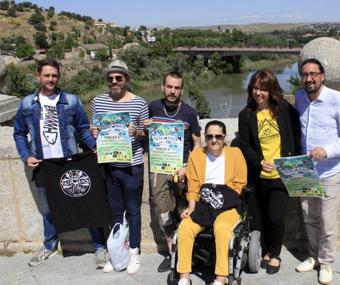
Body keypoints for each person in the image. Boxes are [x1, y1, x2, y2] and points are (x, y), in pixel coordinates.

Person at [13, 59, 107, 267]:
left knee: (86, 202)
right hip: (45, 165)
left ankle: (100, 247)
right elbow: (19, 132)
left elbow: (83, 128)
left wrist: (94, 147)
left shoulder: (71, 101)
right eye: (46, 75)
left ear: (59, 76)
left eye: (54, 75)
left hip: (71, 161)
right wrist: (25, 155)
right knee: (49, 208)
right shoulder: (27, 103)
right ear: (38, 76)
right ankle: (49, 246)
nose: (51, 79)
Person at [294, 59, 340, 284]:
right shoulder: (299, 97)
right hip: (305, 170)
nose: (308, 79)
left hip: (331, 170)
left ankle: (326, 262)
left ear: (322, 76)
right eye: (304, 74)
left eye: (313, 74)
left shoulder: (338, 100)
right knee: (309, 218)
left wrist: (327, 150)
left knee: (327, 223)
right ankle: (314, 256)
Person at [238, 69, 301, 274]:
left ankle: (275, 254)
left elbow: (297, 137)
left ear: (272, 90)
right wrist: (259, 161)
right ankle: (264, 251)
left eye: (263, 89)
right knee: (258, 218)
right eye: (256, 88)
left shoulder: (284, 110)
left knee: (275, 217)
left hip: (281, 175)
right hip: (258, 177)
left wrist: (295, 163)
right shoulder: (246, 115)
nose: (259, 93)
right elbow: (244, 145)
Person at [91, 59, 149, 274]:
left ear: (127, 79)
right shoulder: (98, 102)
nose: (114, 81)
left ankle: (134, 252)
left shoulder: (139, 103)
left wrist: (137, 132)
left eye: (118, 78)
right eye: (110, 78)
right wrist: (94, 133)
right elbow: (94, 129)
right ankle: (118, 252)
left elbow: (147, 134)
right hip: (109, 165)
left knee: (133, 211)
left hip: (132, 165)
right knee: (115, 212)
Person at [176, 120, 247, 285]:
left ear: (224, 137)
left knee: (222, 228)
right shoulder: (196, 156)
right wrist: (191, 206)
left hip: (227, 203)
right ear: (205, 138)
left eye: (218, 136)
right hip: (203, 203)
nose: (214, 140)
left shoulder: (235, 153)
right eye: (209, 136)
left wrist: (220, 197)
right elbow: (193, 185)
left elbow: (240, 183)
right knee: (185, 227)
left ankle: (221, 278)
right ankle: (184, 277)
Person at [148, 71, 202, 272]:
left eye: (177, 88)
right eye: (169, 87)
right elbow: (144, 136)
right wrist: (144, 129)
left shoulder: (189, 112)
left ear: (182, 90)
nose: (172, 91)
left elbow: (198, 144)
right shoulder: (153, 107)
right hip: (159, 170)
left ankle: (188, 252)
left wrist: (188, 167)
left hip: (182, 170)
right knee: (163, 211)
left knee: (183, 211)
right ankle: (173, 253)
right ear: (163, 87)